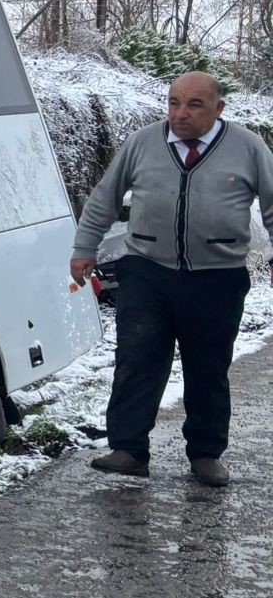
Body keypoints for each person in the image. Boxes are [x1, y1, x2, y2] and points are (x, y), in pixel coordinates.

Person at [71, 71, 273, 486]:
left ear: (219, 109)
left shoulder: (248, 147)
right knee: (137, 360)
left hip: (217, 277)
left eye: (194, 104)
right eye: (174, 102)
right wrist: (84, 248)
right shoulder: (143, 142)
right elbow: (104, 198)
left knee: (208, 369)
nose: (180, 113)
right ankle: (128, 449)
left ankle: (205, 454)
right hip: (148, 271)